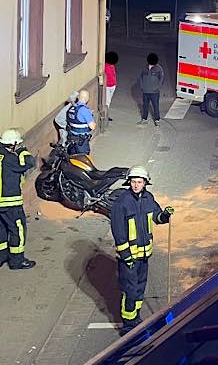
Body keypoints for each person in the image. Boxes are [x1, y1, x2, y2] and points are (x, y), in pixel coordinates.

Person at [109, 166, 174, 332]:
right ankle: (128, 323)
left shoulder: (148, 199)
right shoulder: (122, 203)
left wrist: (165, 215)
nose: (136, 185)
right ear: (128, 182)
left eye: (139, 182)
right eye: (133, 181)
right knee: (130, 290)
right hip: (129, 258)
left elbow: (157, 217)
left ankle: (135, 317)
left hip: (144, 254)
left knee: (139, 287)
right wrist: (126, 256)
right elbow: (118, 231)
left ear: (145, 183)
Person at [0, 129, 36, 269]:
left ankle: (0, 258)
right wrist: (22, 150)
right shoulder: (11, 158)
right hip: (9, 202)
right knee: (17, 228)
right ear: (13, 144)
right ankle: (17, 261)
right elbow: (29, 162)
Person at [67, 89, 96, 155]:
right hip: (81, 143)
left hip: (72, 140)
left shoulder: (72, 108)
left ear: (78, 97)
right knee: (82, 161)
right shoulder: (84, 110)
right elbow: (92, 126)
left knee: (72, 160)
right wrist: (90, 117)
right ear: (87, 98)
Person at [139, 53, 164, 126]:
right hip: (145, 91)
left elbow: (161, 79)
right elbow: (141, 77)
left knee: (155, 106)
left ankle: (157, 120)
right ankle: (144, 119)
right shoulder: (144, 68)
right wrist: (142, 86)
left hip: (154, 92)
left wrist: (156, 88)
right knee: (145, 105)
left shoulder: (159, 69)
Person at [104, 51, 119, 121]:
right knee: (107, 102)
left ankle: (106, 115)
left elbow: (113, 74)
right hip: (107, 86)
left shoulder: (112, 65)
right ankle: (106, 116)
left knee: (108, 101)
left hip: (112, 86)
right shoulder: (105, 66)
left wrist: (115, 83)